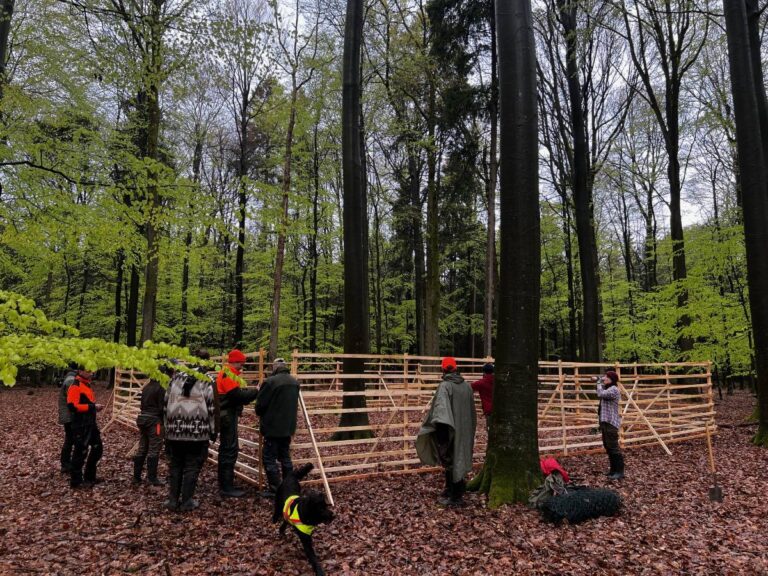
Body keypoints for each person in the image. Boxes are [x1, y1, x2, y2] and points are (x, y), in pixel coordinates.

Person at [416, 357, 477, 507]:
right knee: (459, 459)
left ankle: (455, 497)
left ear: (443, 369)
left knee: (451, 460)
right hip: (464, 431)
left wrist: (440, 434)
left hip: (448, 430)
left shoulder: (445, 386)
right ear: (456, 368)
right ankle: (451, 490)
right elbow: (472, 412)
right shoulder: (467, 387)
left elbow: (441, 413)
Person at [164, 351, 216, 512]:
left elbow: (165, 404)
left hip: (175, 430)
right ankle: (187, 501)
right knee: (191, 466)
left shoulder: (175, 378)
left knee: (176, 464)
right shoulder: (207, 380)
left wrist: (168, 428)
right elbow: (212, 407)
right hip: (196, 432)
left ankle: (173, 500)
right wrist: (212, 430)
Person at [216, 349, 259, 497]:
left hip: (228, 414)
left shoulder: (229, 373)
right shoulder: (228, 374)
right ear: (235, 361)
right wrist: (256, 391)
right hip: (227, 415)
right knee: (229, 449)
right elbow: (236, 395)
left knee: (228, 448)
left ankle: (225, 484)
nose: (242, 366)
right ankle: (226, 487)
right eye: (241, 363)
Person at [256, 357, 300, 496]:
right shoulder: (295, 382)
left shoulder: (270, 382)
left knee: (269, 458)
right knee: (285, 457)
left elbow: (260, 406)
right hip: (288, 427)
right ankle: (289, 486)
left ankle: (275, 489)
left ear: (274, 368)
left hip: (272, 427)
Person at [67, 369, 104, 488]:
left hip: (90, 424)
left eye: (91, 371)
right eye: (88, 371)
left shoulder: (86, 384)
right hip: (80, 425)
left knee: (97, 448)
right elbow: (72, 406)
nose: (91, 373)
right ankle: (76, 481)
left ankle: (90, 476)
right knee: (80, 452)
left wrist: (93, 407)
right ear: (80, 371)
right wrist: (92, 407)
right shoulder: (75, 386)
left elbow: (87, 403)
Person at [132, 375, 166, 486]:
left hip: (143, 419)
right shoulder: (161, 388)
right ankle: (152, 478)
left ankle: (136, 477)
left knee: (142, 448)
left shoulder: (146, 387)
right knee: (154, 449)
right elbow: (162, 408)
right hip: (154, 421)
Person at [597, 370, 625, 480]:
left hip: (611, 423)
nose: (604, 378)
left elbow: (600, 394)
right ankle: (613, 470)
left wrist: (599, 382)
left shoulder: (614, 389)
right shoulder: (608, 388)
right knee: (608, 447)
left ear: (611, 379)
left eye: (606, 377)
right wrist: (599, 382)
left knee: (613, 448)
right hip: (605, 422)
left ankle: (619, 471)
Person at [57, 366, 78, 474]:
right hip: (70, 416)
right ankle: (65, 464)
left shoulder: (70, 379)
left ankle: (66, 463)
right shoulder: (71, 381)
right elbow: (74, 401)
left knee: (70, 440)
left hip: (68, 415)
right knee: (70, 440)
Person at [471, 363, 494, 436]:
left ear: (483, 372)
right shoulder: (498, 381)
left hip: (489, 410)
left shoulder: (482, 382)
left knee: (490, 429)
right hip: (500, 409)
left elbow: (469, 387)